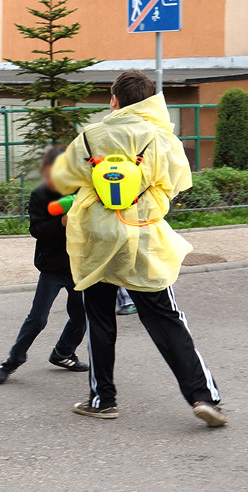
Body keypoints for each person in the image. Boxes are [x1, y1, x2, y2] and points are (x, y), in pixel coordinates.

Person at [52, 70, 226, 427]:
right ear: (149, 101)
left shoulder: (90, 137)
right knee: (166, 319)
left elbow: (63, 180)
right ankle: (202, 397)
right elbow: (179, 182)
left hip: (98, 239)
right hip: (143, 238)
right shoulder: (161, 138)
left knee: (99, 318)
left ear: (113, 100)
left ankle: (103, 400)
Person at [0, 146, 89, 385]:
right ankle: (12, 361)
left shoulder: (83, 191)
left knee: (81, 317)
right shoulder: (41, 195)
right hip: (52, 267)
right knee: (38, 318)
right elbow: (37, 230)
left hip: (79, 266)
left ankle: (63, 353)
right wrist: (62, 222)